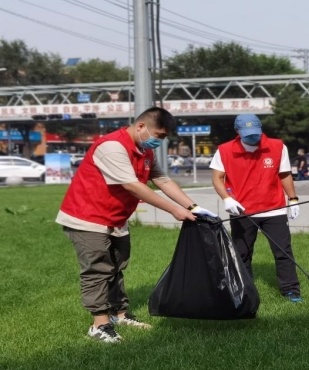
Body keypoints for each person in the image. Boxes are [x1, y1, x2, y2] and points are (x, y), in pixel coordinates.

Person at [56, 106, 216, 343]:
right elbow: (132, 185)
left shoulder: (144, 150)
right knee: (98, 268)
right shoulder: (111, 147)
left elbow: (161, 179)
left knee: (117, 266)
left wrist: (193, 207)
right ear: (141, 126)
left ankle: (119, 314)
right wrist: (174, 210)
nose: (159, 142)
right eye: (158, 136)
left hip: (117, 217)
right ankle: (99, 325)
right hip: (87, 217)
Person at [209, 113, 303, 303]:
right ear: (237, 132)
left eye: (255, 132)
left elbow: (284, 174)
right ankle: (244, 289)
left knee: (283, 251)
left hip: (274, 208)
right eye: (247, 133)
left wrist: (293, 199)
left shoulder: (277, 147)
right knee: (242, 253)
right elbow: (217, 177)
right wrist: (227, 199)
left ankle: (291, 290)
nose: (253, 137)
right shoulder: (225, 150)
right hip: (242, 210)